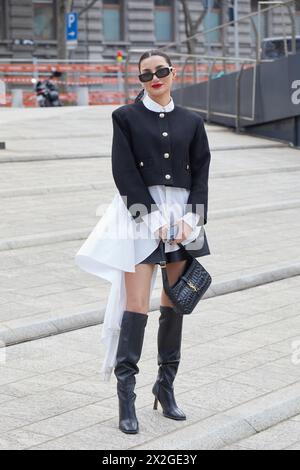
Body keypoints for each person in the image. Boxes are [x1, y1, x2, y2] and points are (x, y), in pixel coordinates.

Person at [75, 49, 211, 435]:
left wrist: (191, 218)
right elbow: (123, 170)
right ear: (140, 79)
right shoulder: (125, 117)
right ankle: (126, 396)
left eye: (161, 71)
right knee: (136, 306)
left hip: (182, 218)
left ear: (173, 73)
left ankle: (165, 388)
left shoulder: (192, 121)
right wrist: (148, 217)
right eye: (146, 74)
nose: (155, 78)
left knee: (174, 304)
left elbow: (201, 170)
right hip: (140, 217)